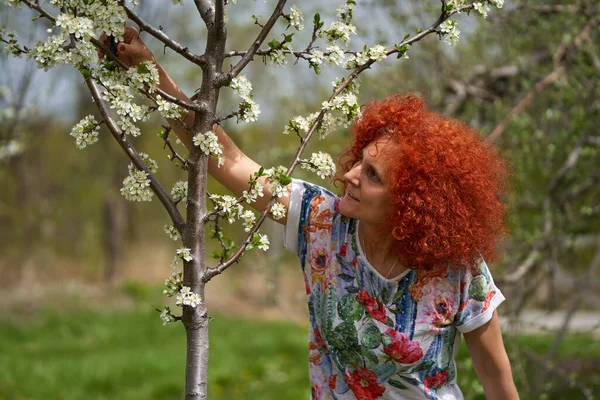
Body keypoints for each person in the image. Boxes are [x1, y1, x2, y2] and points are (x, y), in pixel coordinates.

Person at [100, 27, 519, 400]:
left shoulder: (457, 271)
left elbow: (499, 384)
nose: (350, 175)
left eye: (372, 175)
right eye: (360, 160)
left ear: (411, 202)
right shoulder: (321, 221)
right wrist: (150, 73)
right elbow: (227, 158)